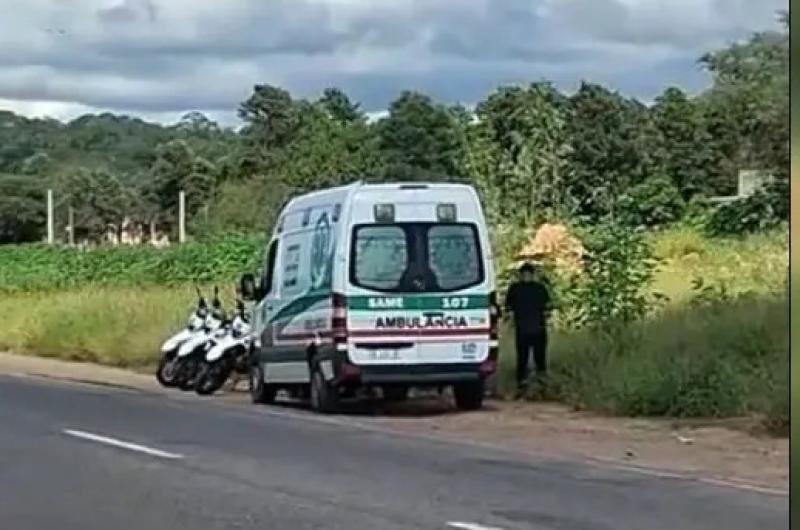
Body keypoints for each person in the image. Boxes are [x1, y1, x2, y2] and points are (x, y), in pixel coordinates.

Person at [505, 263, 552, 393]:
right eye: (524, 274)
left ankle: (538, 386)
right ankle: (525, 386)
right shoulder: (518, 289)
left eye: (528, 274)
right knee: (524, 360)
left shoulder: (537, 288)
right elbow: (508, 309)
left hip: (534, 329)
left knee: (538, 359)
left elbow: (548, 309)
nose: (526, 276)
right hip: (527, 329)